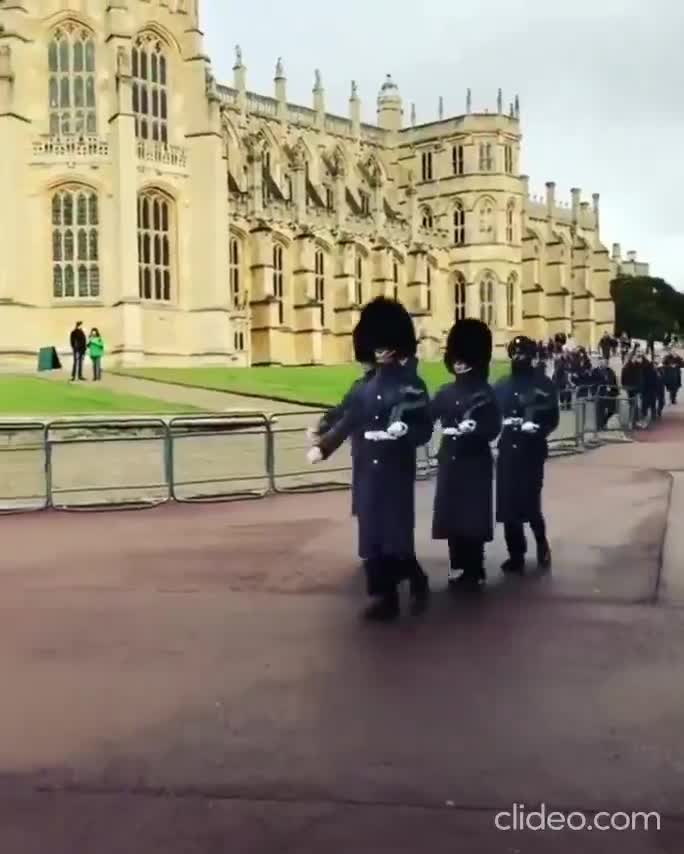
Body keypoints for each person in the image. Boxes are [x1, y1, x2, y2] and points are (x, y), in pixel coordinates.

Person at [308, 297, 433, 621]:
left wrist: (404, 430)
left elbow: (424, 427)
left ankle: (413, 579)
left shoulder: (412, 386)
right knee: (371, 536)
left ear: (396, 346)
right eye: (375, 345)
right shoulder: (363, 387)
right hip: (366, 469)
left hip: (394, 469)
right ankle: (384, 597)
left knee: (395, 536)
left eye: (385, 344)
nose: (379, 350)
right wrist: (324, 432)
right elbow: (346, 414)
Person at [430, 319, 501, 592]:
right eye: (455, 359)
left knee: (473, 516)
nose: (458, 364)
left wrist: (477, 428)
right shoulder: (445, 392)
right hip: (450, 458)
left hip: (475, 461)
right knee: (452, 515)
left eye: (463, 358)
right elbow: (428, 416)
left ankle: (476, 565)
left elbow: (493, 427)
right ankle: (457, 563)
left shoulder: (485, 392)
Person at [494, 336, 560, 575]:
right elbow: (492, 412)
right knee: (508, 504)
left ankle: (541, 544)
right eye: (515, 354)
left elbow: (552, 418)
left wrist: (539, 429)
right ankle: (516, 554)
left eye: (522, 354)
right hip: (508, 448)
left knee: (530, 502)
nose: (517, 358)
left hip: (531, 450)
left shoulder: (543, 384)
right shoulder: (502, 384)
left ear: (530, 356)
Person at [592, 357, 618, 430]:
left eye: (605, 363)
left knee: (612, 410)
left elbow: (614, 381)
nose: (603, 364)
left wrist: (615, 391)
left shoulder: (610, 371)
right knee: (599, 411)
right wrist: (594, 393)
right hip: (599, 394)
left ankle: (604, 422)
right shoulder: (595, 371)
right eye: (601, 363)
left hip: (610, 394)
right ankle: (599, 426)